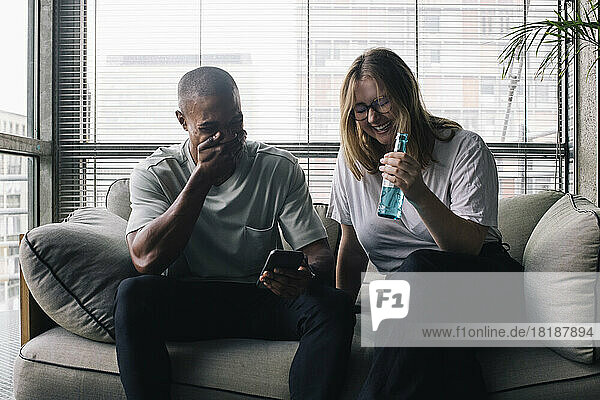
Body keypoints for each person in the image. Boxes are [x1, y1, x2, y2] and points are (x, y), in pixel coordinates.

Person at [114, 66, 355, 400]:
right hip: (192, 300)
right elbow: (145, 259)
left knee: (334, 306)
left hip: (262, 298)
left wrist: (305, 276)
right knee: (133, 294)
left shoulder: (278, 167)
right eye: (210, 129)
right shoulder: (155, 173)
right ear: (183, 122)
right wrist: (201, 178)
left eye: (235, 124)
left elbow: (319, 255)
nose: (227, 138)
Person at [328, 48, 523, 399]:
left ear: (406, 95)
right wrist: (340, 319)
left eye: (383, 102)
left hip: (488, 284)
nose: (374, 117)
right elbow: (352, 248)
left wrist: (418, 192)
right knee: (436, 343)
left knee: (417, 270)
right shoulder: (350, 161)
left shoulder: (463, 148)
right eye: (361, 108)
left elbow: (467, 249)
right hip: (411, 303)